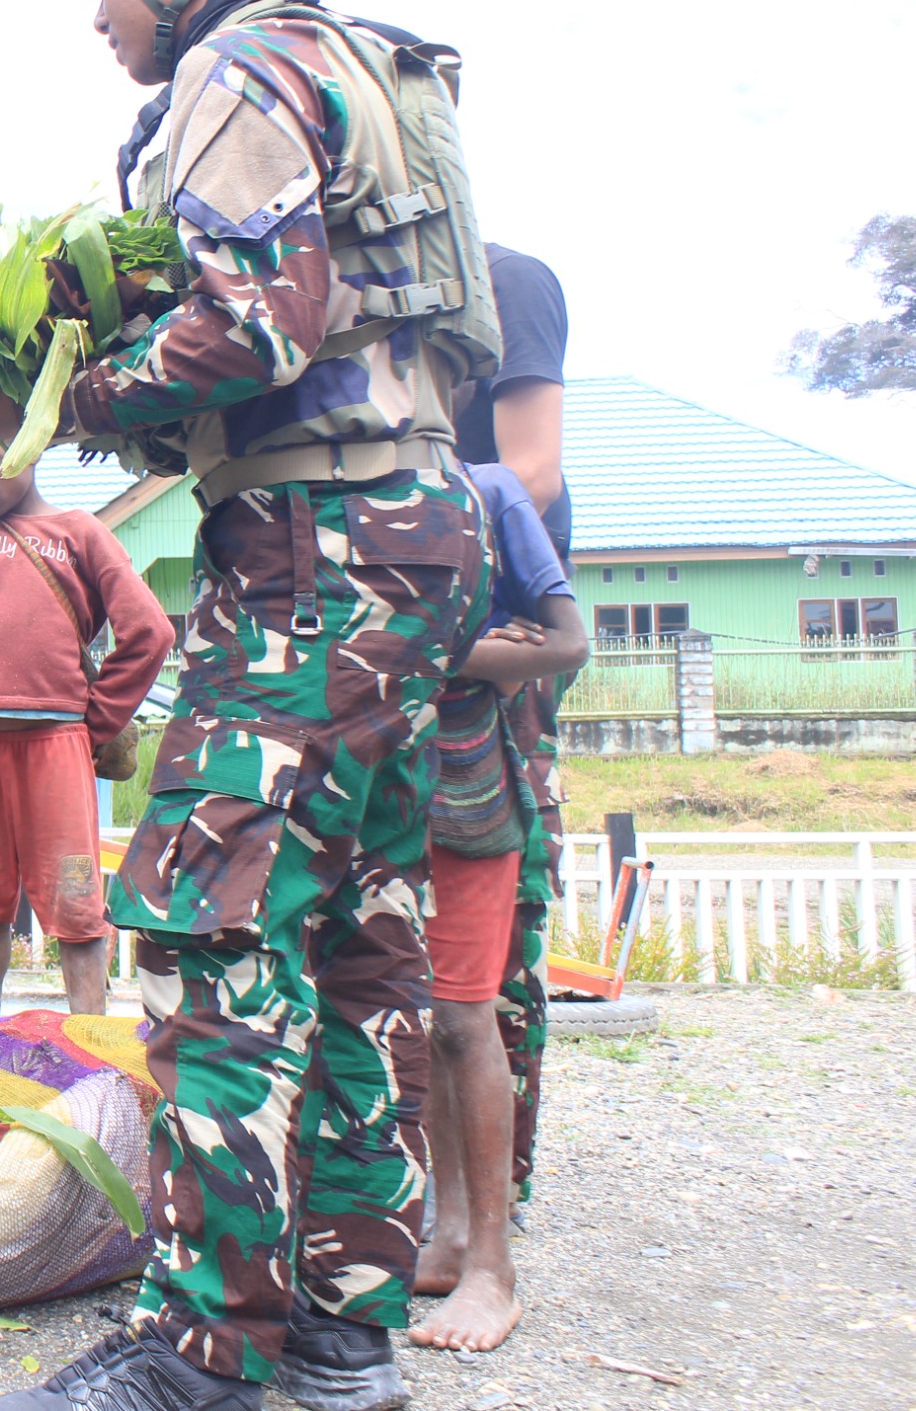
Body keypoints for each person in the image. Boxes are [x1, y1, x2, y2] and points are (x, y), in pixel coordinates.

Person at [0, 0, 497, 1411]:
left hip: (313, 541)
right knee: (356, 932)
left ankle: (207, 1344)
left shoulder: (232, 70)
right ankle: (337, 1326)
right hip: (417, 526)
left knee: (209, 913)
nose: (105, 22)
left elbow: (256, 319)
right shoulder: (354, 63)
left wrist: (72, 398)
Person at [412, 463, 586, 1353]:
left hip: (469, 784)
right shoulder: (324, 481)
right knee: (417, 1023)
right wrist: (472, 648)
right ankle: (444, 1235)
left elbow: (567, 640)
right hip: (366, 786)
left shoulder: (487, 491)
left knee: (464, 1020)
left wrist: (427, 648)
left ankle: (491, 1267)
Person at [0, 445, 172, 1021]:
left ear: (30, 449)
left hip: (58, 749)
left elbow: (149, 631)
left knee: (77, 904)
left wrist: (94, 722)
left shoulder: (78, 532)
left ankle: (88, 1048)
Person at [446, 244, 573, 1228]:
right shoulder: (341, 287)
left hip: (496, 638)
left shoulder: (504, 281)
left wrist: (394, 542)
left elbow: (530, 470)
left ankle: (500, 1187)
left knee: (495, 932)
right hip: (402, 638)